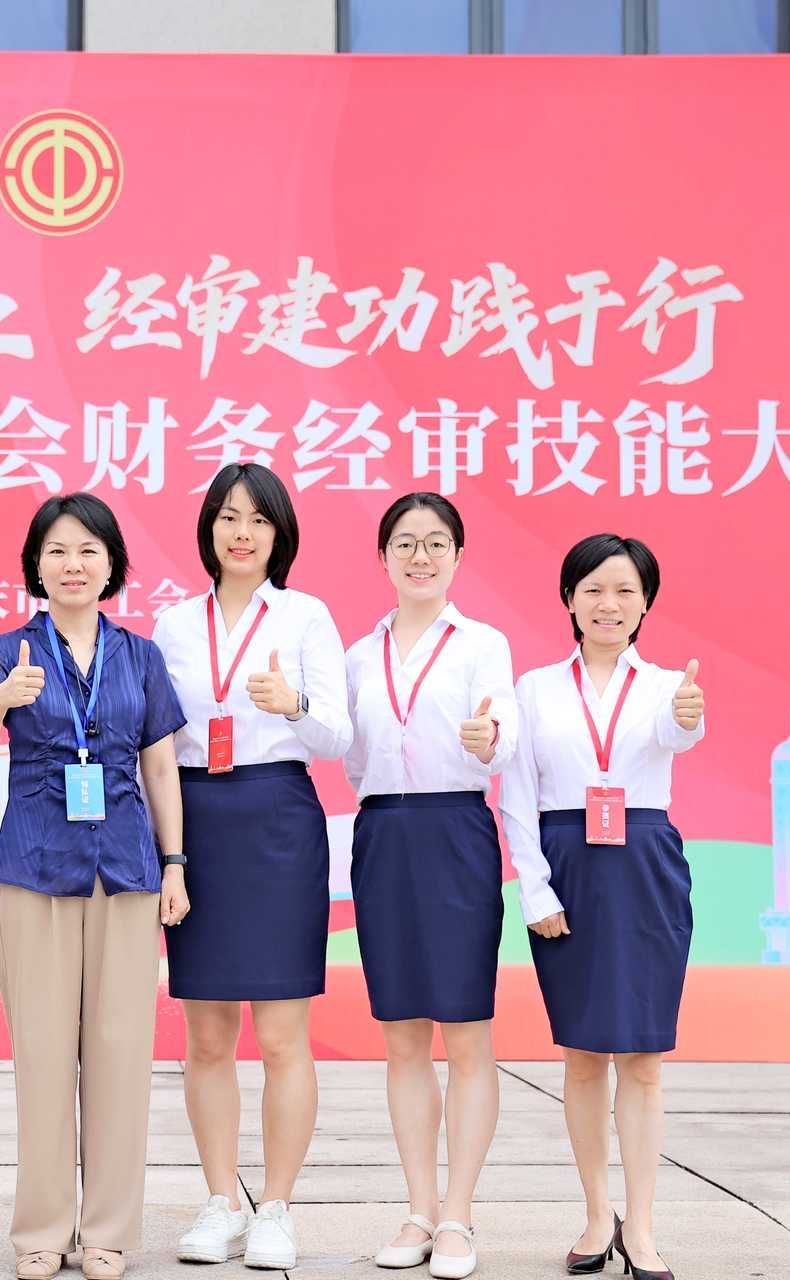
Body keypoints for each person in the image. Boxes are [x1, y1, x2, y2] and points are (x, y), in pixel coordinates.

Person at [0, 493, 187, 1280]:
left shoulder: (140, 656)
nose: (73, 564)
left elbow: (160, 766)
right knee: (43, 1055)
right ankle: (42, 1230)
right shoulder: (8, 649)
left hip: (125, 869)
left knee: (122, 1054)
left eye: (89, 550)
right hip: (36, 867)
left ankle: (108, 1232)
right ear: (35, 564)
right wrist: (2, 698)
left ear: (112, 563)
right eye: (57, 550)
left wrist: (175, 863)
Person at [151, 464, 351, 1271]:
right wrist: (168, 853)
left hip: (277, 818)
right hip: (196, 818)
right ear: (208, 528)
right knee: (206, 1035)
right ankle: (220, 1201)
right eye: (228, 517)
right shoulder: (173, 624)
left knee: (279, 1035)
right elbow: (156, 745)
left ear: (280, 534)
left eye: (258, 520)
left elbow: (338, 736)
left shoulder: (306, 616)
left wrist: (291, 705)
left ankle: (276, 1207)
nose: (242, 533)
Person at [499, 533, 705, 1280]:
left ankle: (641, 1227)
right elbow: (516, 791)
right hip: (567, 865)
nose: (607, 604)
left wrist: (687, 714)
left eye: (624, 590)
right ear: (568, 598)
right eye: (592, 589)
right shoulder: (534, 689)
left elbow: (675, 733)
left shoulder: (666, 686)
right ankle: (596, 1215)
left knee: (643, 1058)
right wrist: (535, 886)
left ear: (646, 603)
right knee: (584, 1055)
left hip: (645, 865)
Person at [346, 493, 517, 1280]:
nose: (421, 556)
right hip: (384, 833)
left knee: (467, 1031)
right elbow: (354, 759)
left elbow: (503, 734)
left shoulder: (483, 644)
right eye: (406, 543)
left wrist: (488, 740)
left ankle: (458, 1215)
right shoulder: (359, 655)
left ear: (458, 555)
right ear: (383, 555)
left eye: (436, 542)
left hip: (456, 832)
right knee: (403, 1035)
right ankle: (418, 1209)